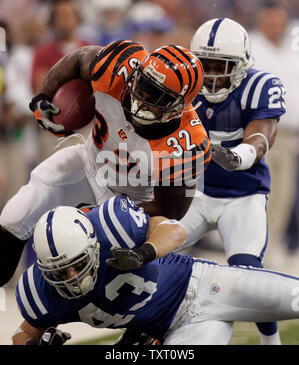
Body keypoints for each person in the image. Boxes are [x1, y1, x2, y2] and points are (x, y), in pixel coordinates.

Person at [0, 40, 210, 288]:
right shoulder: (120, 66)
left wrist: (97, 214)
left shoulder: (186, 144)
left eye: (156, 95)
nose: (142, 97)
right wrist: (45, 95)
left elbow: (170, 211)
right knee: (17, 213)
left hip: (131, 202)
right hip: (88, 162)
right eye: (143, 85)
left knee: (82, 263)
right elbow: (78, 59)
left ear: (178, 106)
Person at [12, 195, 299, 345]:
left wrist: (142, 253)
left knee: (295, 297)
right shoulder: (41, 292)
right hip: (182, 330)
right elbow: (23, 333)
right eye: (60, 272)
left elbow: (175, 230)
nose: (72, 277)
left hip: (203, 284)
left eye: (76, 264)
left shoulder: (113, 226)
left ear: (92, 245)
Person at [176, 17, 286, 345]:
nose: (210, 74)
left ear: (240, 65)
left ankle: (271, 342)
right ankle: (143, 335)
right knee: (154, 259)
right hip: (192, 192)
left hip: (242, 195)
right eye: (204, 64)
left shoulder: (259, 86)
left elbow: (263, 136)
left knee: (246, 274)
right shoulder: (181, 84)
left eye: (219, 65)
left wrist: (239, 156)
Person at [249, 2, 299, 262]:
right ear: (261, 21)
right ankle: (257, 245)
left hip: (291, 135)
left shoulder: (292, 48)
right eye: (271, 21)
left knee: (285, 195)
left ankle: (274, 243)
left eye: (280, 22)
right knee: (262, 192)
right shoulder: (253, 48)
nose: (276, 27)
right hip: (263, 130)